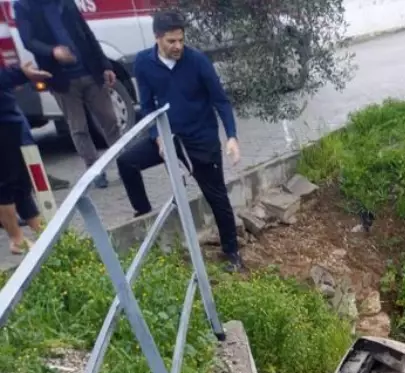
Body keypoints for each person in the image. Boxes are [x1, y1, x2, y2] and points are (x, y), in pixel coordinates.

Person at [117, 10, 244, 272]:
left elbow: (220, 100)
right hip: (168, 137)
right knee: (126, 162)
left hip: (200, 139)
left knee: (216, 195)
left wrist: (231, 136)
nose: (177, 46)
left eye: (181, 40)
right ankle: (144, 215)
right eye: (171, 41)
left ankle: (232, 253)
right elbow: (148, 104)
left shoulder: (197, 62)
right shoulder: (143, 63)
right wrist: (157, 137)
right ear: (157, 38)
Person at [15, 0, 121, 188]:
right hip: (62, 79)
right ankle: (95, 172)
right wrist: (52, 51)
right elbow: (28, 40)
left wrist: (105, 65)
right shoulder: (24, 6)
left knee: (110, 120)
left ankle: (124, 162)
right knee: (79, 128)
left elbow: (86, 32)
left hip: (90, 72)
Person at [0, 60, 51, 254]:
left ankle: (41, 231)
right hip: (2, 122)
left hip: (10, 115)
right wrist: (20, 73)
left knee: (22, 180)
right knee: (5, 182)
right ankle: (16, 238)